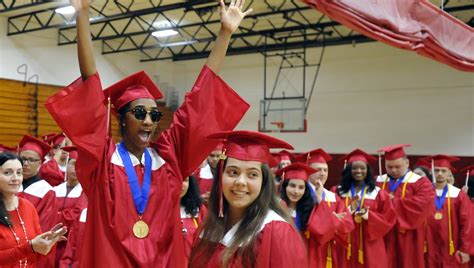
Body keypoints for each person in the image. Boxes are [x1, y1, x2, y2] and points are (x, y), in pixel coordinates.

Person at [44, 0, 251, 266]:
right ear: (120, 119)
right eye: (139, 114)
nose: (149, 122)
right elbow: (90, 86)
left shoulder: (169, 158)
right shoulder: (102, 163)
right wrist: (82, 14)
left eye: (154, 115)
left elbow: (199, 100)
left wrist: (224, 34)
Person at [189, 130, 308, 267]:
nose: (240, 181)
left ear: (263, 182)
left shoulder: (275, 231)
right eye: (233, 172)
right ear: (220, 176)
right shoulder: (209, 225)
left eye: (252, 174)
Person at [0, 152, 67, 267]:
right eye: (7, 173)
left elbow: (34, 256)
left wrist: (47, 244)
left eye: (19, 172)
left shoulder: (28, 206)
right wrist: (29, 247)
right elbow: (27, 249)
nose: (15, 178)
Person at [376, 144, 435, 268]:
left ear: (407, 163)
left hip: (409, 235)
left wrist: (391, 202)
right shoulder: (378, 181)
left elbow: (422, 205)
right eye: (389, 167)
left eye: (398, 166)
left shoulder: (420, 182)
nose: (393, 170)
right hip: (383, 235)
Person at [334, 149, 396, 268]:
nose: (359, 171)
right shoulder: (338, 191)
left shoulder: (378, 193)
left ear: (368, 170)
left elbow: (389, 218)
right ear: (348, 170)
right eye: (354, 168)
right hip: (345, 243)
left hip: (370, 244)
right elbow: (332, 216)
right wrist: (349, 209)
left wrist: (369, 216)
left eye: (363, 168)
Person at [294, 148, 354, 268]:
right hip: (303, 246)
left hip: (326, 250)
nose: (322, 173)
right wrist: (331, 218)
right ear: (308, 171)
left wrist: (329, 219)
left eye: (325, 170)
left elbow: (348, 224)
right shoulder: (298, 193)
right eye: (318, 169)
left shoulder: (332, 197)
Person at [424, 155, 473, 267]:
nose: (440, 174)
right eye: (436, 170)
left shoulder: (458, 195)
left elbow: (467, 224)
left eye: (443, 171)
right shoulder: (424, 192)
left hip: (452, 243)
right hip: (428, 243)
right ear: (432, 171)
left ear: (449, 173)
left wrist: (465, 249)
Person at [53, 146, 87, 266]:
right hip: (51, 244)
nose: (76, 168)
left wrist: (54, 218)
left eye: (80, 164)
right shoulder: (54, 190)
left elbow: (74, 217)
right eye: (72, 164)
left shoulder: (86, 193)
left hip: (69, 245)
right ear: (66, 165)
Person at [17, 135, 56, 232]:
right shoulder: (9, 184)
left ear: (40, 163)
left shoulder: (46, 191)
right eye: (23, 159)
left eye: (31, 160)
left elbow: (45, 225)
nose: (25, 163)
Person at [277, 162, 318, 231]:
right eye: (292, 186)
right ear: (285, 187)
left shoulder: (309, 211)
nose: (296, 191)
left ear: (305, 190)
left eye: (301, 187)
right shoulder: (277, 209)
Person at [180, 176, 206, 264]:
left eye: (185, 180)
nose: (181, 184)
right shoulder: (157, 210)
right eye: (177, 180)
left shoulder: (198, 210)